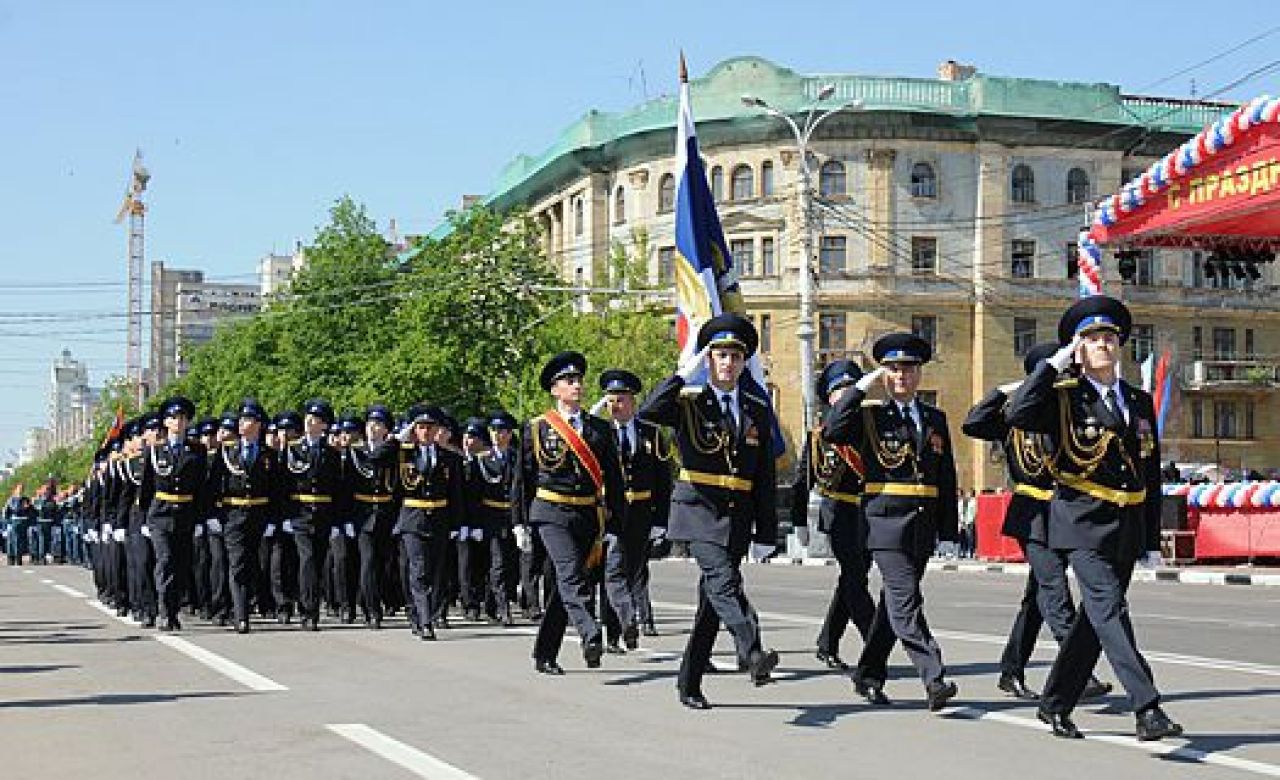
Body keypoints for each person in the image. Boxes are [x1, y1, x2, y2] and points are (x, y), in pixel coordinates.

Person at [1006, 294, 1182, 741]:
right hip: (1080, 522)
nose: (1102, 344)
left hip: (1124, 523)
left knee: (1093, 621)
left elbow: (1148, 470)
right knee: (1110, 609)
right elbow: (1016, 413)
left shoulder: (1137, 401)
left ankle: (1055, 702)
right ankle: (1147, 707)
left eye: (1108, 337)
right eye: (1091, 338)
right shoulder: (1062, 397)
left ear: (1119, 343)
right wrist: (1053, 366)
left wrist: (1149, 536)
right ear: (1077, 349)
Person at [638, 313, 780, 710]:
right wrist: (680, 376)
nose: (728, 363)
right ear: (708, 360)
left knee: (710, 605)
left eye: (736, 356)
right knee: (722, 580)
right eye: (720, 355)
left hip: (736, 513)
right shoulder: (688, 402)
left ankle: (688, 682)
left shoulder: (755, 408)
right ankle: (752, 650)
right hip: (697, 509)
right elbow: (649, 412)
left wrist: (766, 532)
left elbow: (764, 475)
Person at [963, 342, 1112, 703]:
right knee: (1055, 592)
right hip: (1031, 516)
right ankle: (1078, 671)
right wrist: (1004, 390)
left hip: (1064, 512)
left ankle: (1010, 670)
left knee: (1036, 601)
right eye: (1054, 374)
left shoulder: (1068, 413)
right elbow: (973, 422)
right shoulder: (1016, 415)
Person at [825, 332, 960, 712]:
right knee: (906, 600)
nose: (901, 375)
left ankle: (868, 673)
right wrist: (861, 385)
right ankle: (933, 676)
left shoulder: (935, 419)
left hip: (922, 524)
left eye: (908, 368)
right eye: (893, 368)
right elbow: (833, 429)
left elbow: (945, 476)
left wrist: (948, 530)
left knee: (892, 607)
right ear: (884, 374)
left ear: (919, 374)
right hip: (883, 523)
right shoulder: (868, 413)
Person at [514, 351, 625, 674]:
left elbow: (614, 481)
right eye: (568, 381)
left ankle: (544, 653)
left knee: (570, 584)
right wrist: (519, 522)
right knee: (570, 574)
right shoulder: (537, 428)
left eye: (578, 380)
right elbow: (523, 479)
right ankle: (590, 633)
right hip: (550, 512)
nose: (576, 385)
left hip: (587, 515)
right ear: (554, 389)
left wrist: (616, 520)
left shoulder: (599, 430)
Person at [791, 359, 876, 671]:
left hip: (868, 513)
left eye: (851, 387)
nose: (846, 393)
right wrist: (799, 522)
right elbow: (802, 481)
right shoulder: (820, 436)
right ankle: (874, 640)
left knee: (852, 579)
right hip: (838, 510)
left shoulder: (870, 426)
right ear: (829, 397)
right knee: (855, 579)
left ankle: (827, 643)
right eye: (839, 389)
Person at [597, 369, 672, 646]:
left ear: (633, 402)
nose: (616, 405)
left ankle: (626, 625)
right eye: (611, 400)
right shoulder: (600, 434)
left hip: (642, 510)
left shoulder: (651, 434)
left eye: (621, 399)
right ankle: (619, 629)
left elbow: (663, 481)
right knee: (613, 569)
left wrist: (661, 521)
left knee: (634, 571)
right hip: (612, 512)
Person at [393, 404, 464, 640]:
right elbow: (375, 457)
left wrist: (457, 524)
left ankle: (420, 612)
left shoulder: (448, 457)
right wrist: (397, 439)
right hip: (412, 519)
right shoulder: (404, 453)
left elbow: (456, 493)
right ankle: (424, 621)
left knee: (436, 571)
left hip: (440, 519)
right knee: (418, 569)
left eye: (430, 427)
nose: (425, 431)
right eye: (421, 427)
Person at [140, 396, 207, 632]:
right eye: (172, 418)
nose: (177, 422)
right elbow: (146, 487)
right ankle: (164, 611)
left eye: (182, 418)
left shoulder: (197, 451)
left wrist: (200, 519)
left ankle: (174, 609)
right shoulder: (155, 451)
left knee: (181, 564)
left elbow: (201, 488)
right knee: (165, 561)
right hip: (160, 514)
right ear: (165, 422)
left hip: (186, 513)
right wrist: (144, 518)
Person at [281, 399, 342, 631]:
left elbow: (338, 489)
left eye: (315, 419)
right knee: (306, 561)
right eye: (308, 417)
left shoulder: (331, 454)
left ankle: (309, 603)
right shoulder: (293, 449)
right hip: (300, 513)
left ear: (324, 425)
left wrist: (337, 520)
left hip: (324, 514)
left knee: (317, 563)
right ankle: (308, 612)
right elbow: (284, 485)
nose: (309, 421)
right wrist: (286, 515)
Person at [341, 404, 399, 629]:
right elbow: (346, 487)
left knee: (384, 563)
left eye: (379, 424)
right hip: (362, 514)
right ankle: (372, 611)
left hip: (386, 513)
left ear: (386, 429)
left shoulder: (393, 451)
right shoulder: (356, 451)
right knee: (368, 561)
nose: (373, 428)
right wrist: (345, 519)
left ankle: (376, 601)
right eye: (370, 424)